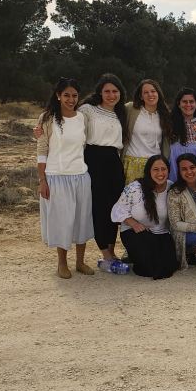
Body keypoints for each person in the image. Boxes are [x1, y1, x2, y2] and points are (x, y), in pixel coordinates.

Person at [36, 78, 94, 279]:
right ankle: (62, 263)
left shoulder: (82, 118)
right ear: (58, 96)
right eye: (66, 95)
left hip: (80, 176)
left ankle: (80, 262)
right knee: (63, 221)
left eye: (75, 95)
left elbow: (84, 146)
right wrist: (42, 180)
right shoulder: (47, 118)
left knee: (81, 219)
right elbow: (42, 150)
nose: (71, 99)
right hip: (57, 178)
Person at [79, 73, 129, 263]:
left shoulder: (121, 113)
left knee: (114, 206)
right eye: (107, 91)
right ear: (99, 92)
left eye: (115, 91)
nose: (111, 95)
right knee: (99, 207)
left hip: (114, 161)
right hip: (93, 159)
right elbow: (73, 129)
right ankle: (104, 252)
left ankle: (111, 249)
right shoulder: (88, 110)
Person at [110, 155, 179, 280]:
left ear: (168, 170)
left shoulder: (171, 188)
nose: (160, 173)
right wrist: (134, 224)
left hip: (161, 233)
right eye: (155, 169)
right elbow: (118, 209)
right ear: (149, 171)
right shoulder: (135, 188)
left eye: (163, 169)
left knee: (170, 265)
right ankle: (136, 256)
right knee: (148, 268)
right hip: (135, 232)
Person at [122, 78, 172, 184]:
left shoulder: (164, 114)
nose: (150, 94)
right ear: (141, 96)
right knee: (133, 194)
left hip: (155, 165)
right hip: (133, 163)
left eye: (153, 91)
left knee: (152, 194)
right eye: (146, 92)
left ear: (158, 93)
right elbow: (113, 109)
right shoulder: (131, 109)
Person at [168, 88, 196, 182]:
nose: (188, 105)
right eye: (185, 102)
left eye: (191, 101)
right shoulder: (170, 123)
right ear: (179, 104)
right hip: (176, 170)